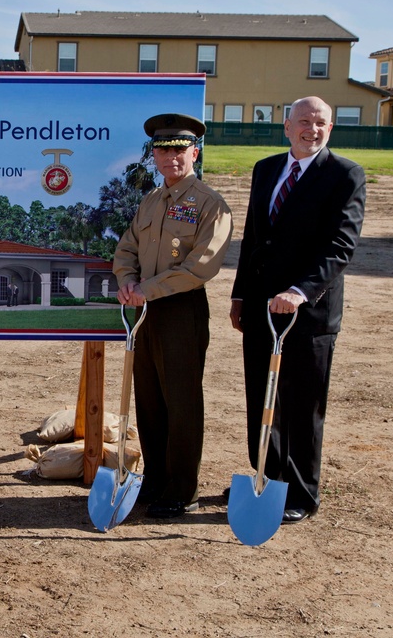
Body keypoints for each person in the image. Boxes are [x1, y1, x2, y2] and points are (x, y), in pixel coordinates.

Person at [230, 96, 365, 524]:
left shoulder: (344, 175)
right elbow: (252, 238)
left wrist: (300, 290)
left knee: (301, 405)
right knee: (262, 397)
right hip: (260, 308)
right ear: (287, 127)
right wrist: (239, 295)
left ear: (330, 129)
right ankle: (267, 479)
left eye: (321, 122)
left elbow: (340, 246)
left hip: (308, 312)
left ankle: (301, 494)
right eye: (304, 121)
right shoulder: (266, 169)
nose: (312, 128)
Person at [112, 113, 233, 518]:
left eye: (179, 150)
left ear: (194, 153)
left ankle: (182, 489)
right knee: (148, 399)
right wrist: (128, 280)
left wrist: (149, 288)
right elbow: (127, 247)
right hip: (144, 311)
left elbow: (201, 265)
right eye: (163, 151)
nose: (171, 158)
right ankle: (157, 479)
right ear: (154, 157)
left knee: (181, 401)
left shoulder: (210, 204)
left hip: (181, 309)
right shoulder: (150, 200)